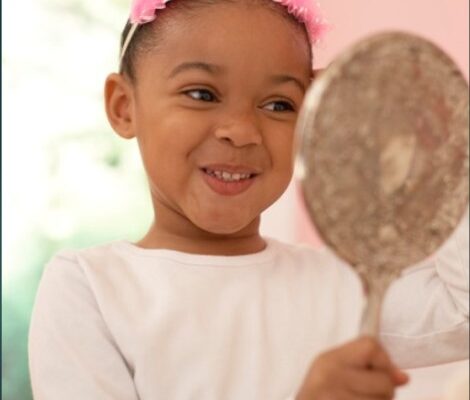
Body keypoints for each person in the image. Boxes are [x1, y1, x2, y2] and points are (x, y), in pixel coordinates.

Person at [28, 0, 469, 399]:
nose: (240, 130)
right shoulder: (90, 288)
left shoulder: (343, 287)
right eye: (202, 94)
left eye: (279, 105)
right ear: (125, 106)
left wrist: (438, 145)